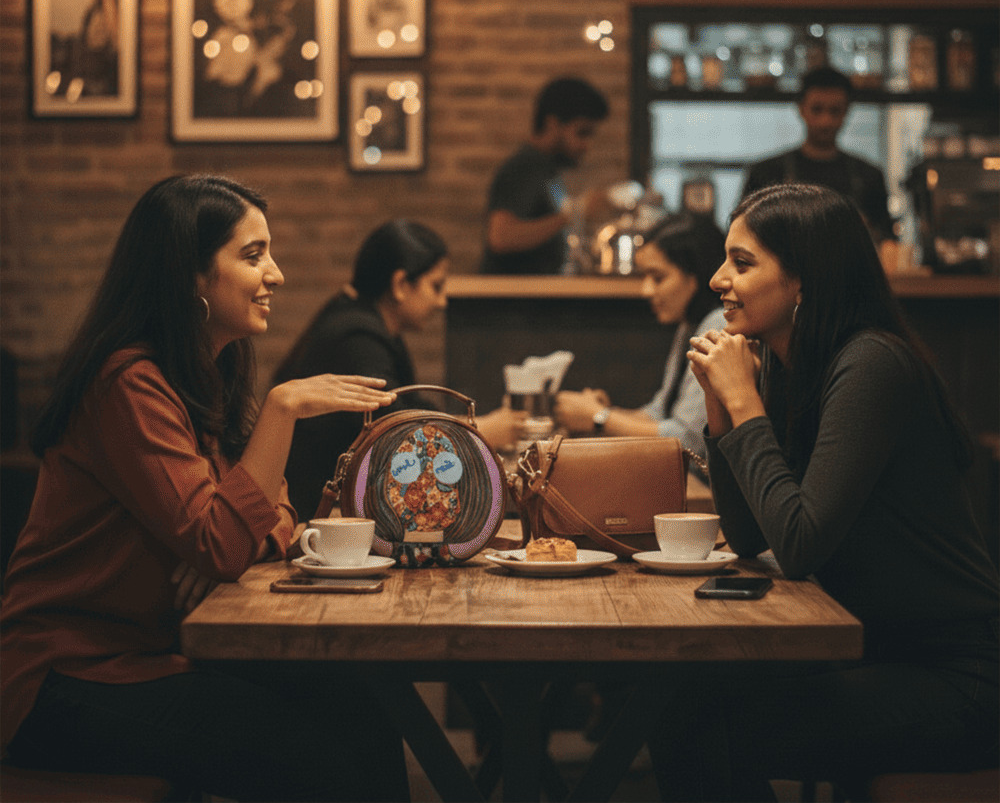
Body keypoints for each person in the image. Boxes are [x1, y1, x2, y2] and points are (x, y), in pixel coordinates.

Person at [0, 175, 408, 802]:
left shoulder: (201, 374)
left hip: (156, 650)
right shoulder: (129, 383)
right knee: (315, 755)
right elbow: (222, 539)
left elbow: (275, 516)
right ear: (190, 275)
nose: (276, 274)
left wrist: (229, 539)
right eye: (253, 255)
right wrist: (283, 408)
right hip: (67, 675)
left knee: (361, 703)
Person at [650, 182, 998, 801]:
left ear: (804, 280)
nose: (716, 279)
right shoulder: (790, 366)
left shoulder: (871, 364)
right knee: (679, 697)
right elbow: (756, 535)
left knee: (704, 726)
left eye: (742, 262)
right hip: (873, 649)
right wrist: (723, 412)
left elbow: (801, 542)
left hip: (957, 675)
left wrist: (743, 403)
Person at [274, 218, 526, 520]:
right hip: (317, 517)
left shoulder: (365, 322)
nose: (442, 301)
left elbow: (411, 406)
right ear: (400, 285)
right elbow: (396, 432)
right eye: (436, 286)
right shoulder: (357, 337)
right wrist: (480, 431)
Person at [553, 213, 726, 463]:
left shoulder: (717, 327)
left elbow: (689, 441)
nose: (646, 290)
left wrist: (599, 418)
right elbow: (658, 414)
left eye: (658, 277)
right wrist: (601, 412)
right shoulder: (689, 324)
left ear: (695, 275)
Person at [741, 66, 895, 245]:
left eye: (834, 111)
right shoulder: (766, 173)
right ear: (801, 109)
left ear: (847, 111)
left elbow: (887, 242)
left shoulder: (869, 176)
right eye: (817, 109)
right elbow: (744, 236)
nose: (825, 121)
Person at [481, 76, 609, 274]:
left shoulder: (546, 170)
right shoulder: (525, 167)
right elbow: (501, 237)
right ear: (552, 124)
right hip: (513, 301)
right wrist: (576, 212)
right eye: (582, 133)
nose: (587, 145)